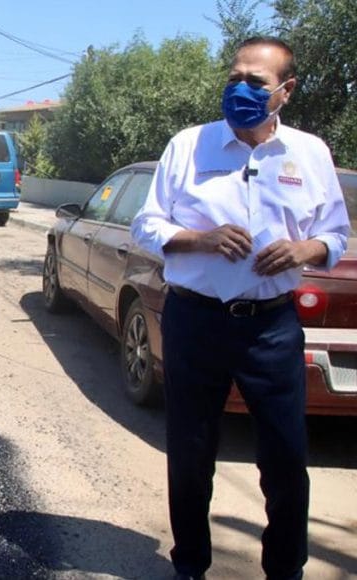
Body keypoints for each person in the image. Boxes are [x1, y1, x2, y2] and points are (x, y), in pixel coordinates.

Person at [131, 37, 350, 580]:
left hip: (271, 329)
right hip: (195, 321)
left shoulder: (309, 153)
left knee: (284, 460)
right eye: (234, 79)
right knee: (190, 452)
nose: (241, 90)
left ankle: (285, 569)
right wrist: (199, 240)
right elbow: (146, 225)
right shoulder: (188, 145)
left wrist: (308, 249)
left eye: (256, 82)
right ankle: (189, 565)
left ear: (286, 91)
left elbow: (337, 234)